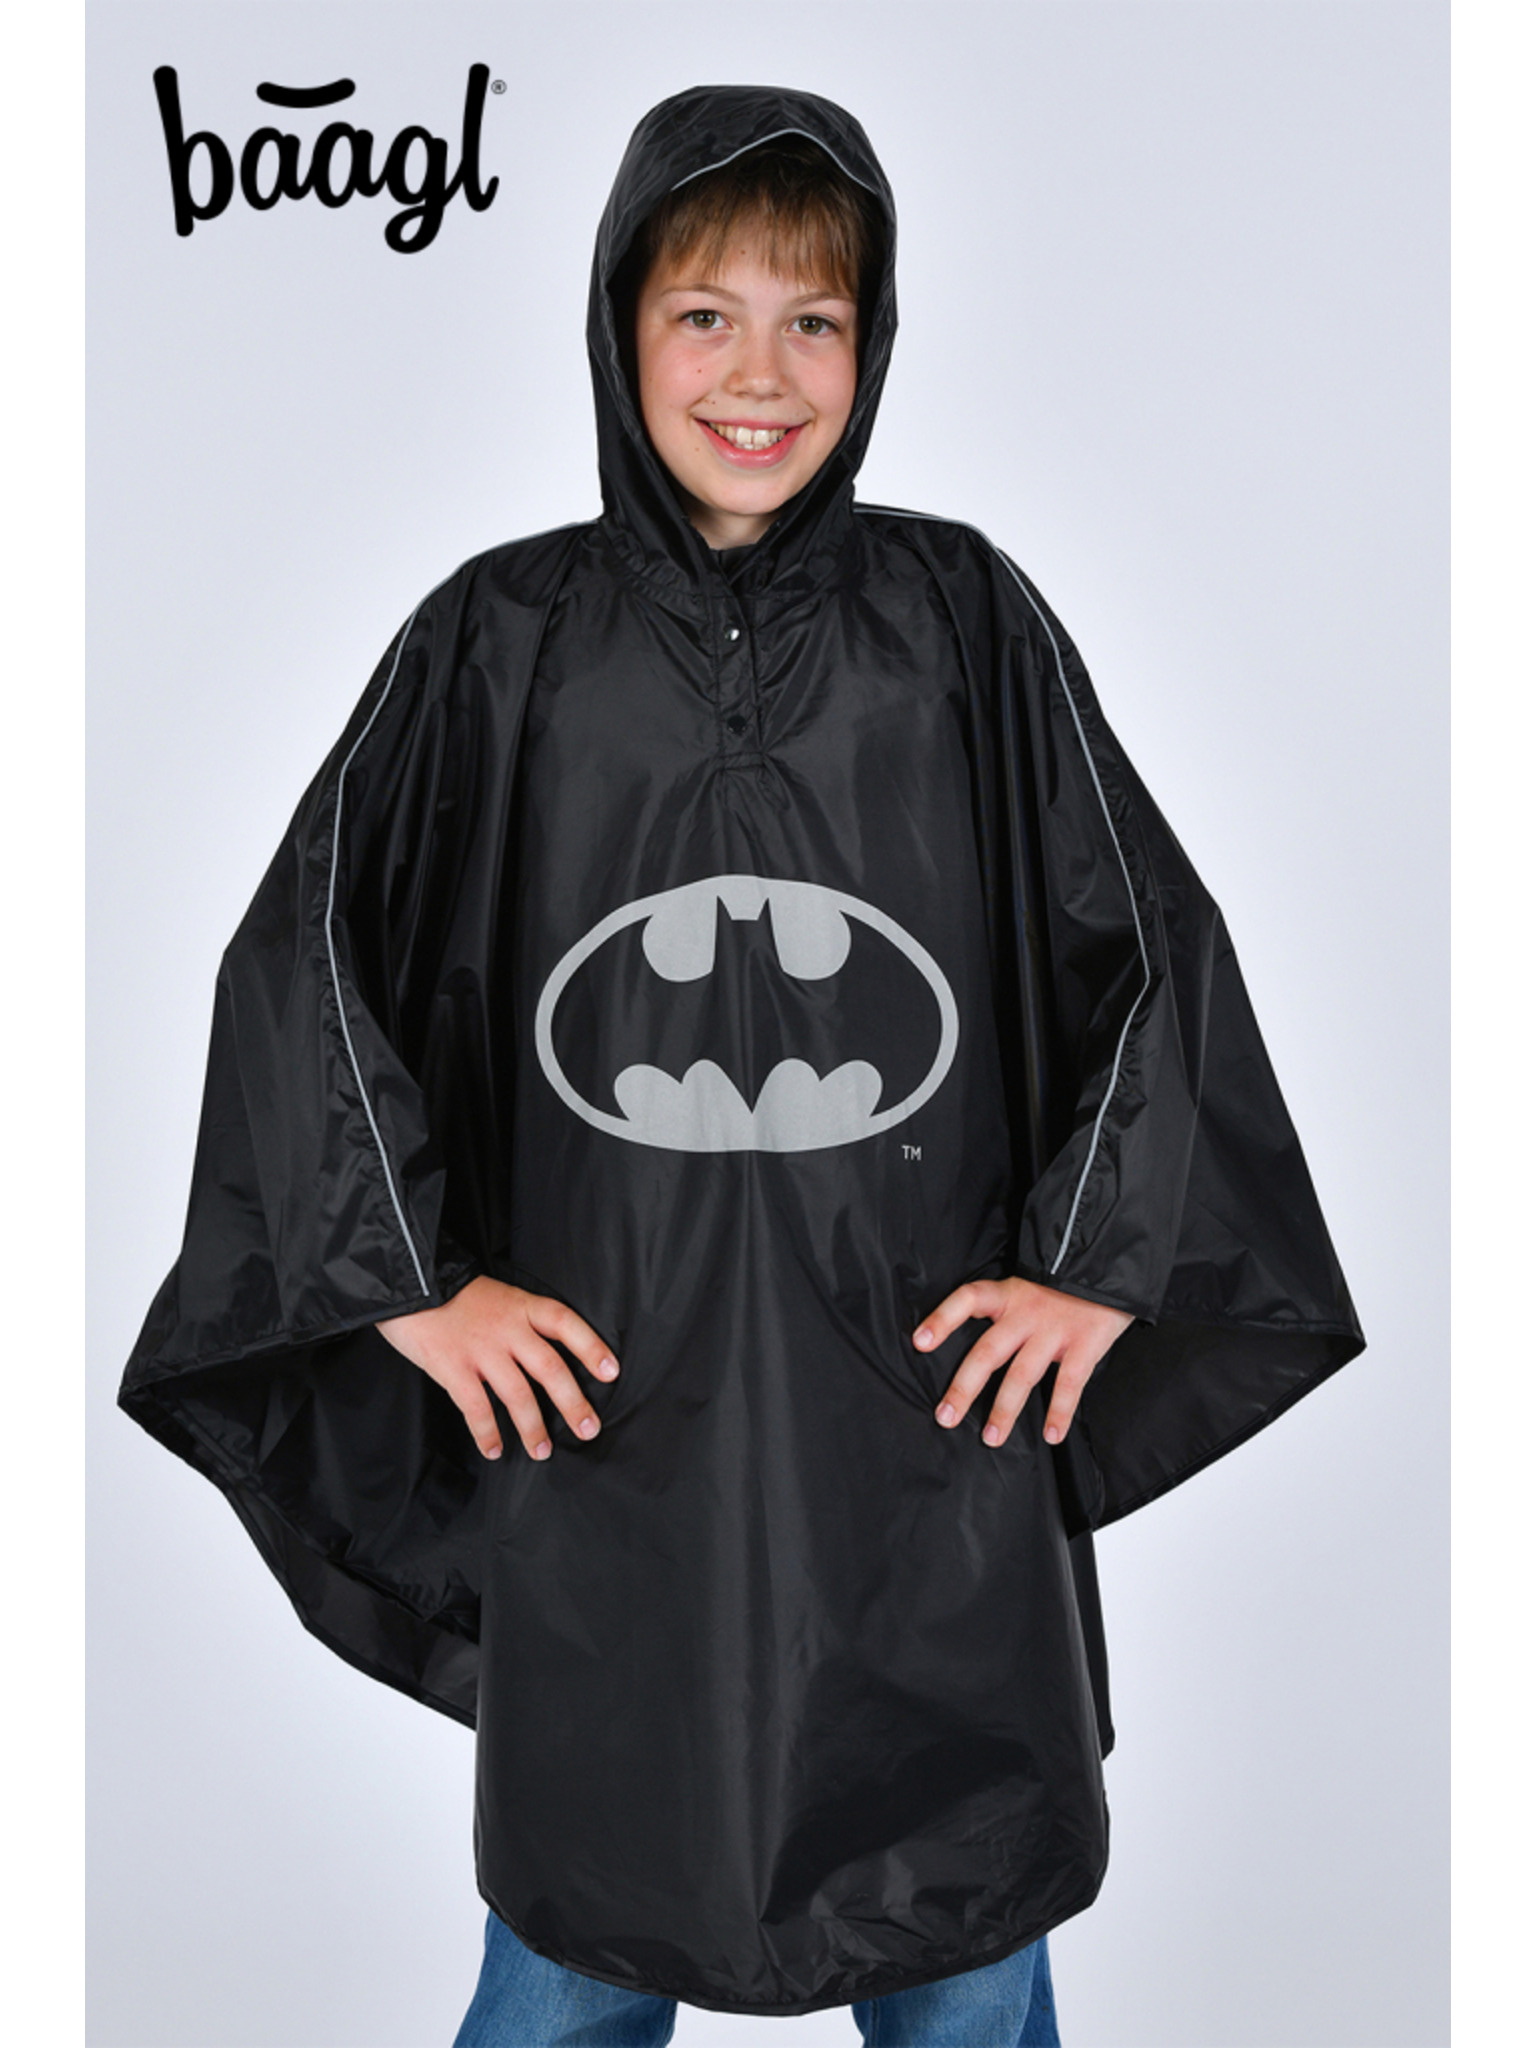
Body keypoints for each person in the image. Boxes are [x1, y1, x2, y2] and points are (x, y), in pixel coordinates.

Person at [118, 84, 1365, 2047]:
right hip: (612, 1456)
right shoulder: (498, 643)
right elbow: (307, 956)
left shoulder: (962, 622)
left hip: (921, 1470)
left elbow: (1147, 947)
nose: (760, 372)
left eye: (815, 319)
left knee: (962, 1957)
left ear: (874, 345)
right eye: (705, 313)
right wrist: (407, 1279)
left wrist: (1100, 1255)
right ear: (619, 322)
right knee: (572, 1967)